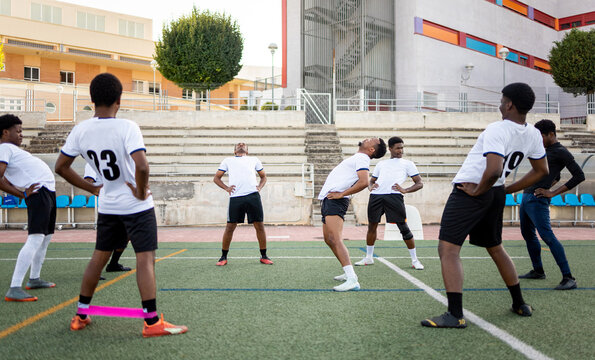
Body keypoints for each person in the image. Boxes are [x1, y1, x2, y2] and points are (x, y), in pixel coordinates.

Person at [55, 73, 187, 337]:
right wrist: (139, 191)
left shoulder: (81, 129)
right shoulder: (127, 126)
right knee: (145, 259)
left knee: (98, 257)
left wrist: (91, 187)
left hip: (108, 205)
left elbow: (61, 167)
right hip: (135, 207)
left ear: (92, 100)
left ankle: (81, 315)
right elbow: (142, 165)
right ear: (119, 100)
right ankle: (151, 323)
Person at [421, 83, 549, 328]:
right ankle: (519, 303)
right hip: (495, 193)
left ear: (509, 104)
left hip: (470, 192)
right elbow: (542, 170)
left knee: (448, 250)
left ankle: (455, 315)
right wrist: (504, 189)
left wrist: (478, 190)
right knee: (496, 247)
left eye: (502, 100)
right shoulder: (532, 133)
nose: (500, 104)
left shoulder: (497, 128)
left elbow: (493, 169)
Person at [518, 119, 584, 290]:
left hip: (538, 201)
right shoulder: (546, 150)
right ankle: (538, 271)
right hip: (527, 197)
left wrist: (551, 192)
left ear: (551, 134)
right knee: (528, 235)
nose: (538, 140)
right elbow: (557, 176)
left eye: (541, 136)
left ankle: (568, 277)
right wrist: (551, 184)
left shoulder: (561, 151)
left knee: (547, 237)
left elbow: (579, 175)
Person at [1, 114, 56, 302]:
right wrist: (22, 194)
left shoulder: (12, 151)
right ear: (5, 132)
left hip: (47, 192)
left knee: (46, 237)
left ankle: (34, 279)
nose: (21, 134)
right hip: (39, 193)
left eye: (22, 131)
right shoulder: (4, 148)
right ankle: (14, 287)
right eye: (18, 131)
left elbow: (6, 178)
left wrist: (20, 192)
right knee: (36, 238)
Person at [319, 138, 387, 292]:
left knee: (335, 239)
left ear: (371, 150)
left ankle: (352, 279)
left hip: (336, 200)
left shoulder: (363, 158)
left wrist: (341, 194)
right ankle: (346, 271)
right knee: (329, 240)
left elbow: (363, 182)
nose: (367, 138)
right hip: (329, 199)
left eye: (371, 140)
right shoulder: (358, 157)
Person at [355, 136, 424, 270]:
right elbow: (371, 181)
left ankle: (415, 260)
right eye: (398, 148)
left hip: (394, 197)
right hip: (376, 196)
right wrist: (370, 186)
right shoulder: (382, 164)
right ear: (390, 149)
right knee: (372, 226)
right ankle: (369, 257)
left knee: (403, 227)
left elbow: (419, 183)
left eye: (402, 148)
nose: (401, 151)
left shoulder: (408, 164)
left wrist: (405, 190)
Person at [213, 142, 272, 266]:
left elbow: (263, 177)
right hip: (236, 197)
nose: (241, 145)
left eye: (243, 144)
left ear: (247, 151)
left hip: (253, 196)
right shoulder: (227, 160)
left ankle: (264, 256)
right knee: (230, 227)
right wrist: (226, 188)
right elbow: (216, 178)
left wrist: (259, 188)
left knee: (259, 226)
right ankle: (223, 257)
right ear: (234, 151)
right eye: (238, 145)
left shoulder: (254, 160)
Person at [83, 163, 131, 275]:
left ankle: (113, 264)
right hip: (109, 204)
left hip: (121, 201)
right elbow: (88, 182)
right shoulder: (91, 162)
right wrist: (103, 193)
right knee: (107, 237)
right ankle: (95, 270)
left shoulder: (108, 158)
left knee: (127, 233)